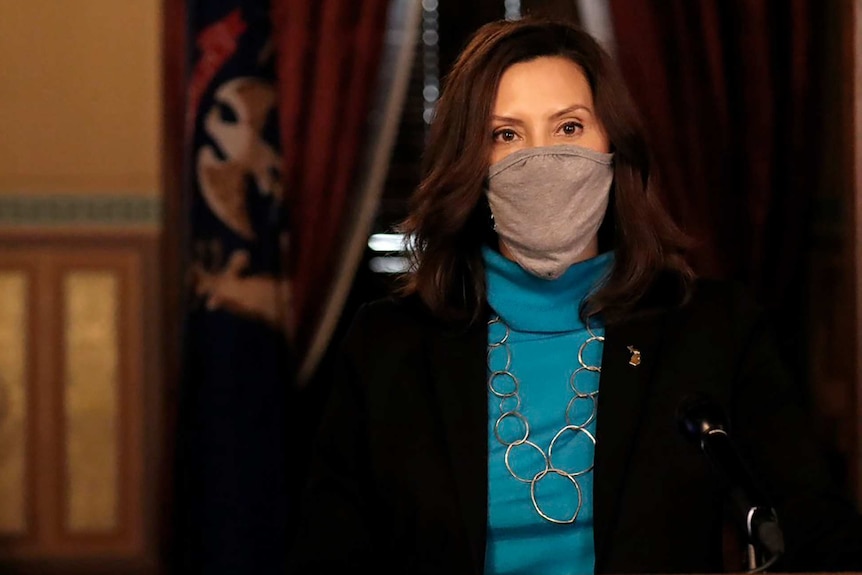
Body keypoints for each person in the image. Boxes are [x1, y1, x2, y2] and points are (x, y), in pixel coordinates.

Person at [287, 17, 862, 575]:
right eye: (506, 135)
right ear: (472, 164)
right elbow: (329, 553)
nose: (543, 159)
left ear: (614, 145)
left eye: (569, 128)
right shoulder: (387, 346)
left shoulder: (715, 331)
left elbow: (815, 530)